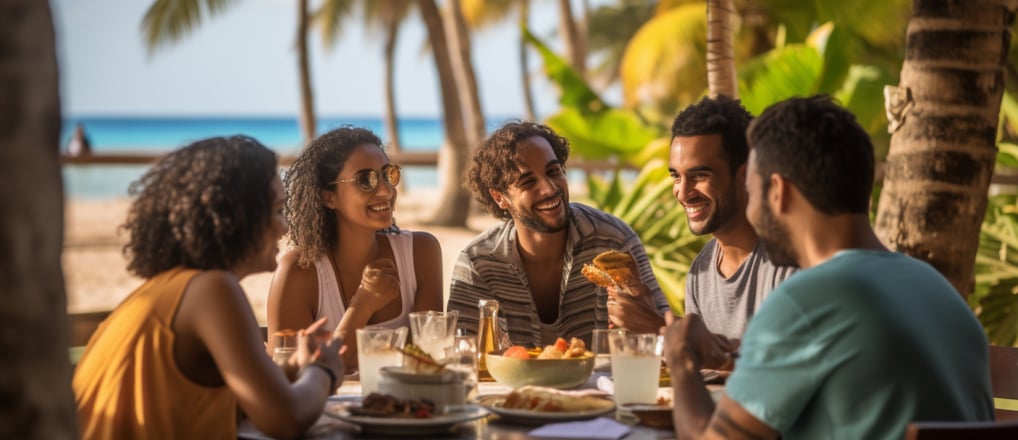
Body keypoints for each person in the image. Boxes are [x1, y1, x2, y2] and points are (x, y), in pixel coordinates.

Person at [662, 95, 994, 439]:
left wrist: (682, 360)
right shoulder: (933, 284)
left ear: (779, 191)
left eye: (751, 188)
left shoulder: (810, 299)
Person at [73, 136, 344, 439]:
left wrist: (294, 370)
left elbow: (224, 399)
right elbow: (285, 418)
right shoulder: (212, 289)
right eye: (278, 211)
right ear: (235, 218)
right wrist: (325, 371)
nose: (285, 227)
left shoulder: (171, 288)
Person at [448, 121, 673, 348]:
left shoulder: (613, 241)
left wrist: (643, 316)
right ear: (499, 197)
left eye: (553, 172)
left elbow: (663, 338)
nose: (548, 188)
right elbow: (462, 353)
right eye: (528, 182)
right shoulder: (478, 262)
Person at [267, 126, 443, 372]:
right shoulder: (299, 272)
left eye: (387, 174)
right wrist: (363, 305)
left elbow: (424, 362)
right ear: (328, 197)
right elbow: (291, 379)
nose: (385, 190)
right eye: (365, 180)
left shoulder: (422, 253)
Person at [669, 95, 796, 340]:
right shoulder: (701, 271)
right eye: (676, 176)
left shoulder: (789, 261)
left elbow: (789, 372)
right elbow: (704, 373)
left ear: (745, 174)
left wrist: (659, 327)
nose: (683, 193)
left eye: (699, 175)